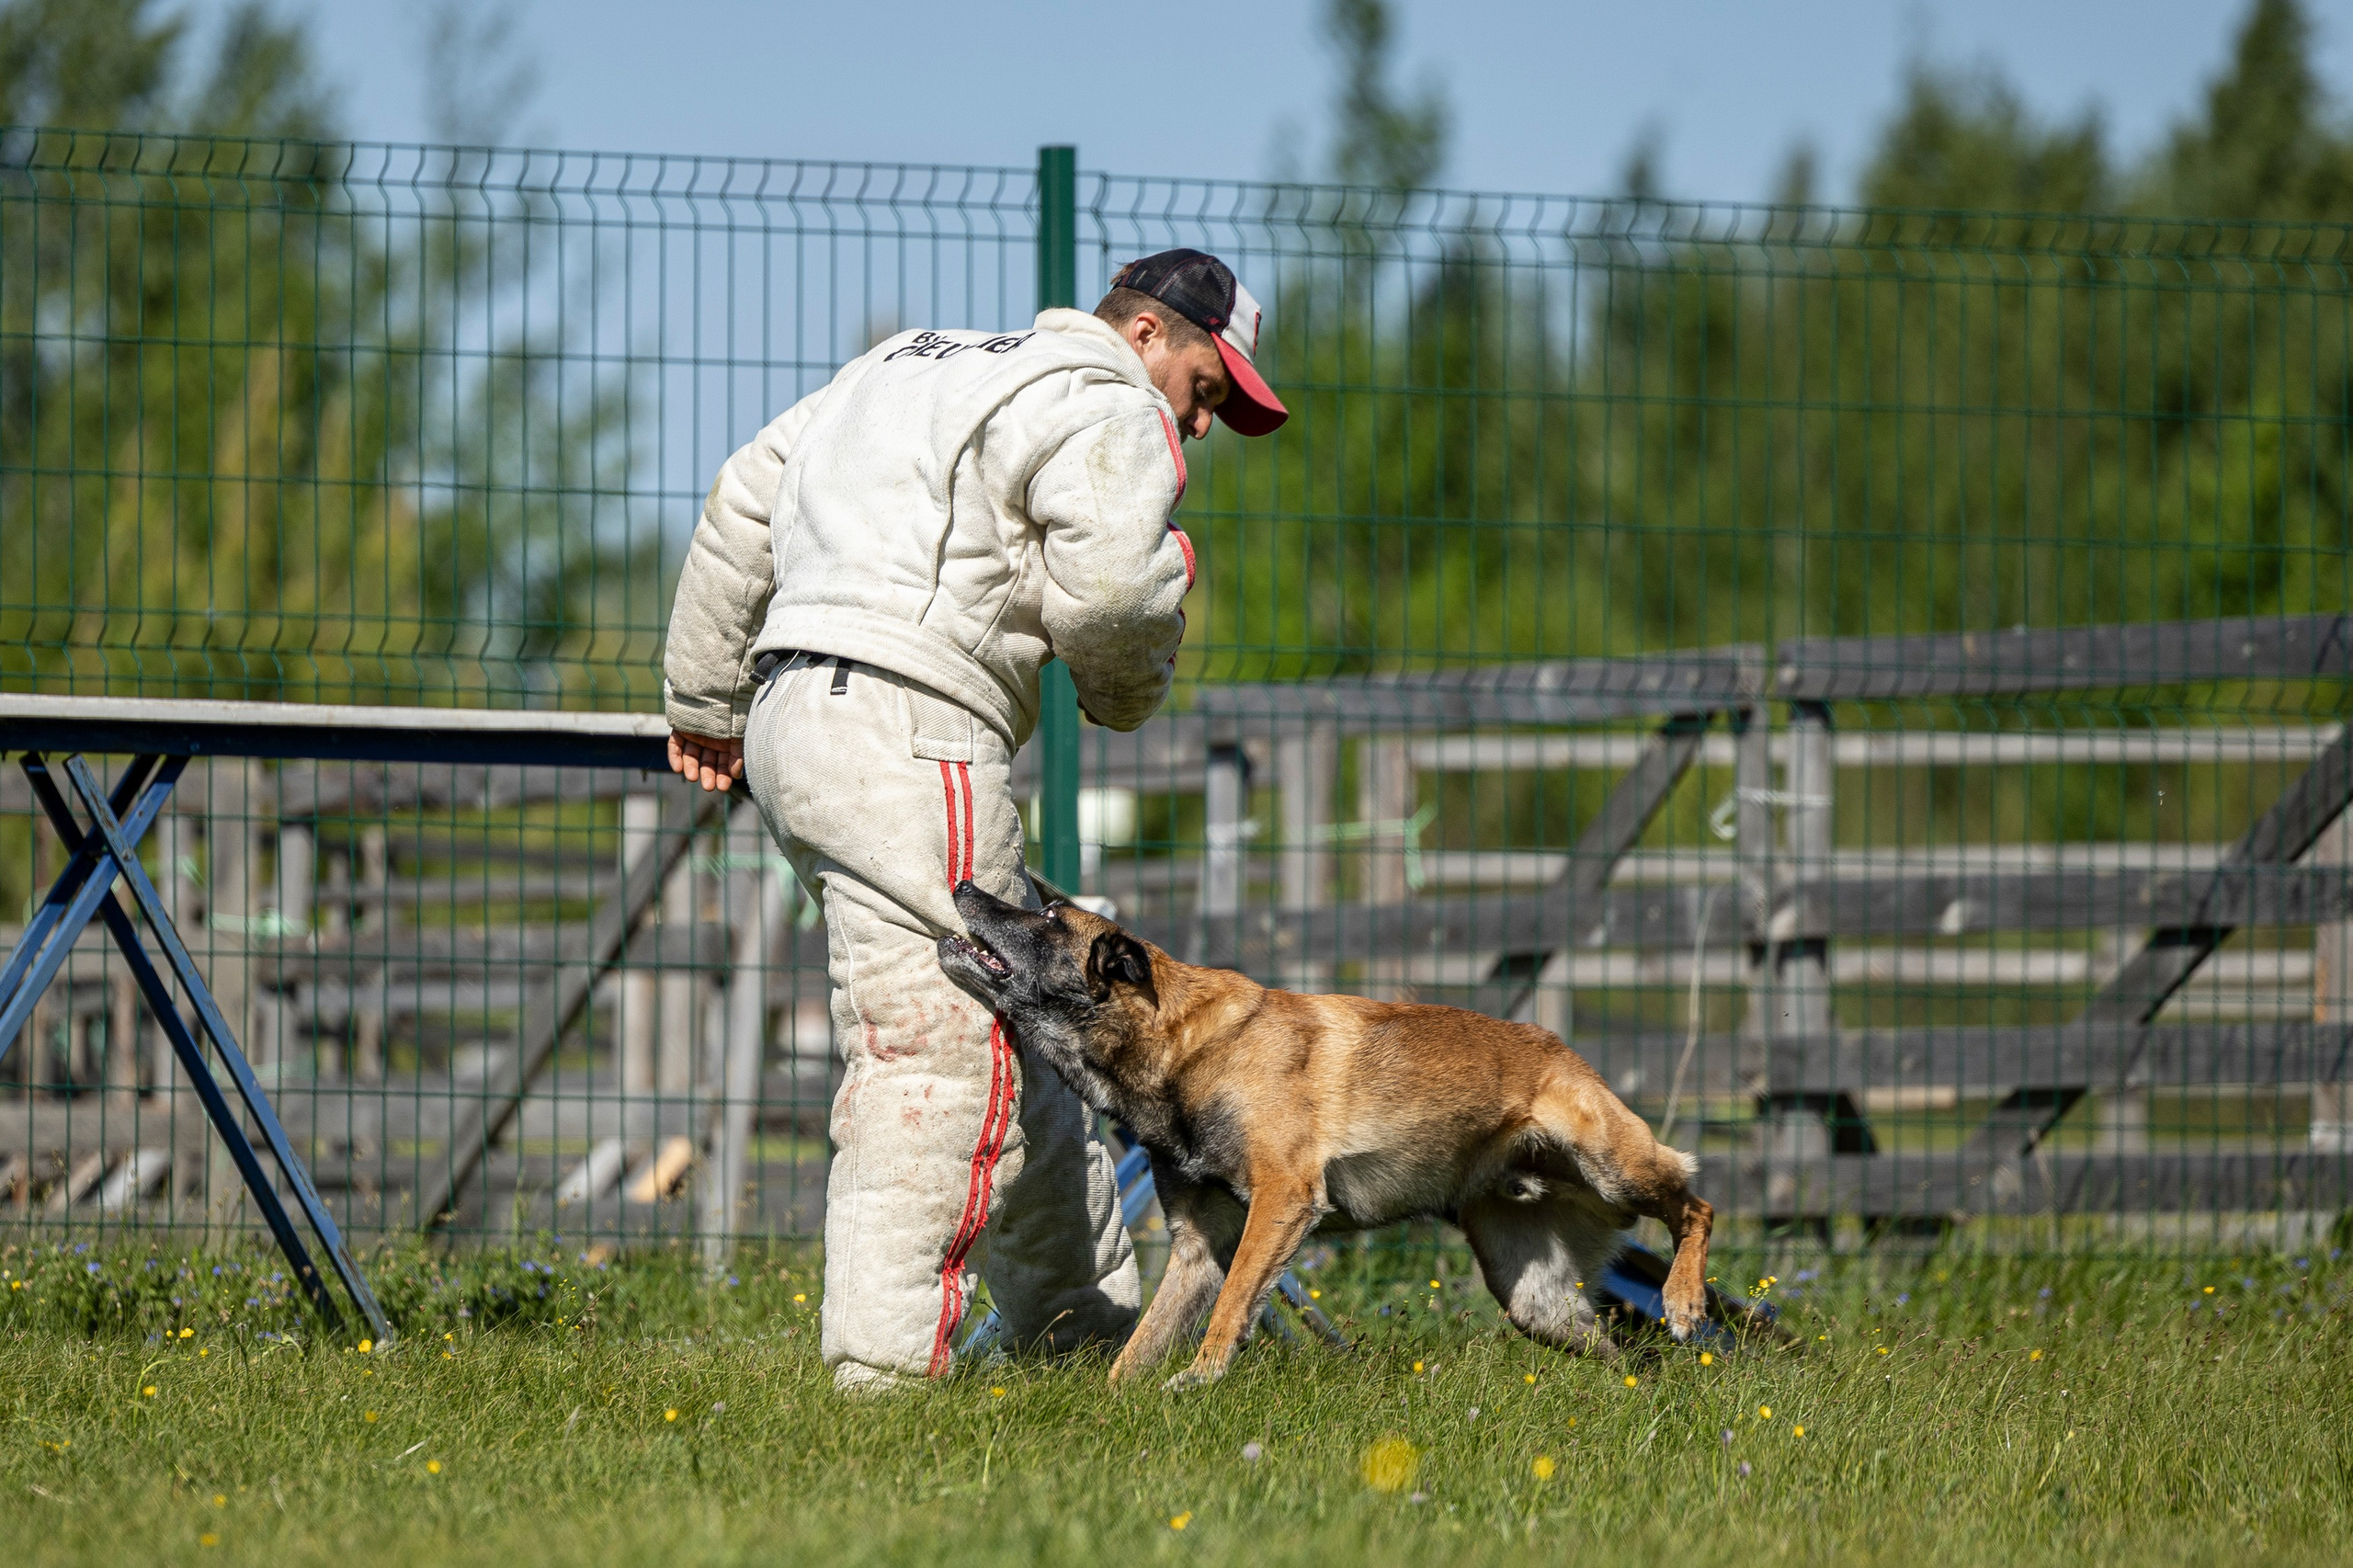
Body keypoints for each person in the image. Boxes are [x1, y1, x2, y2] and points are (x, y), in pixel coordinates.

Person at [660, 250, 1288, 1393]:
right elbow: (1114, 596)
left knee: (1021, 1025)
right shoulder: (1108, 399)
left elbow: (744, 497)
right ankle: (883, 1372)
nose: (1198, 424)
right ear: (1147, 334)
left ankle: (1077, 1330)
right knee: (938, 1053)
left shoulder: (904, 362)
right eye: (1205, 390)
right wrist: (1132, 679)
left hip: (794, 710)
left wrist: (704, 701)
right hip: (912, 725)